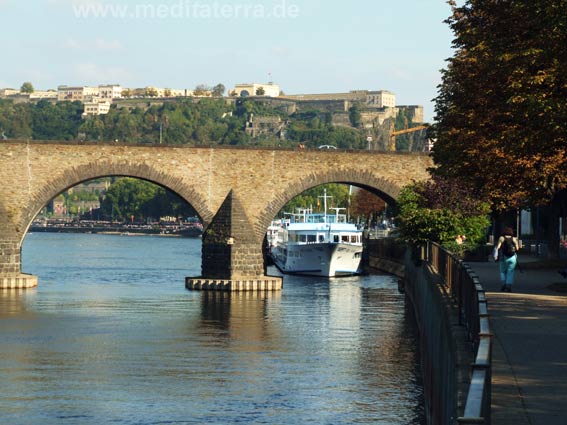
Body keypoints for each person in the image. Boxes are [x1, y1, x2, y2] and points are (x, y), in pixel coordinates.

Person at [493, 227, 520, 292]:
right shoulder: (514, 239)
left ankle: (503, 284)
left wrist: (496, 254)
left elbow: (498, 247)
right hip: (512, 257)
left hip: (503, 257)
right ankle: (508, 285)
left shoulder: (501, 238)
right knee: (510, 272)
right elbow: (517, 248)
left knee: (502, 271)